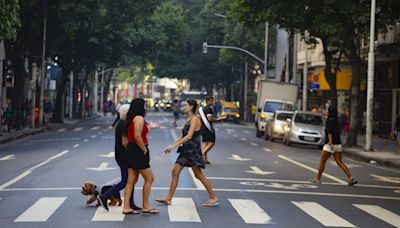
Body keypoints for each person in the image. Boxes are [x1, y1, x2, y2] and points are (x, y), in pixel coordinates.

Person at [156, 100, 218, 206]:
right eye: (183, 105)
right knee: (175, 171)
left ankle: (213, 197)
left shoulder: (195, 119)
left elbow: (189, 136)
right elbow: (183, 136)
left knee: (198, 175)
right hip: (186, 151)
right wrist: (171, 145)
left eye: (185, 105)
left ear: (191, 107)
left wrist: (173, 146)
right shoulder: (188, 119)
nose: (183, 107)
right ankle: (168, 198)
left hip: (193, 151)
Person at [97, 104, 141, 212]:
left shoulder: (120, 123)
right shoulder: (124, 124)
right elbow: (125, 142)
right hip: (124, 156)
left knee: (131, 179)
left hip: (121, 155)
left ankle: (131, 203)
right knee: (126, 181)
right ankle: (105, 196)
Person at [123, 98, 159, 215]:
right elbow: (137, 136)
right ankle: (146, 206)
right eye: (144, 106)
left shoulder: (131, 119)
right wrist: (144, 149)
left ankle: (126, 207)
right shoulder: (139, 118)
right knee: (149, 178)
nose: (145, 108)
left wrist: (149, 127)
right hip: (138, 150)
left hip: (131, 150)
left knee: (131, 180)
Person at [311, 107, 357, 186]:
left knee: (322, 161)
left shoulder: (329, 121)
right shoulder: (337, 121)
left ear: (329, 112)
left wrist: (331, 143)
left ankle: (318, 179)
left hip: (330, 145)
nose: (326, 112)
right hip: (338, 144)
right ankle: (350, 177)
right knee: (339, 162)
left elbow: (329, 132)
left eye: (327, 111)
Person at [199, 96, 224, 164]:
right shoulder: (209, 109)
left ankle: (204, 159)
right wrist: (218, 120)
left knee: (205, 143)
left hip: (202, 127)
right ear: (208, 101)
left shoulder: (202, 108)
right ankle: (201, 155)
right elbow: (210, 119)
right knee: (212, 142)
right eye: (211, 101)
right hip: (208, 128)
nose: (212, 102)